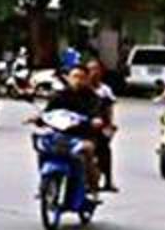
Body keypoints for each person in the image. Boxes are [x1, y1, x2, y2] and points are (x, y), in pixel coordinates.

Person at [46, 57, 119, 191]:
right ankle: (46, 185)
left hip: (84, 135)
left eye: (81, 77)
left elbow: (102, 113)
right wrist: (38, 118)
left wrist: (99, 122)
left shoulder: (95, 97)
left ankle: (93, 185)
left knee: (91, 149)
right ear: (69, 78)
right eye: (74, 76)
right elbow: (48, 113)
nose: (77, 80)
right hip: (62, 134)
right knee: (44, 145)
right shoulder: (60, 95)